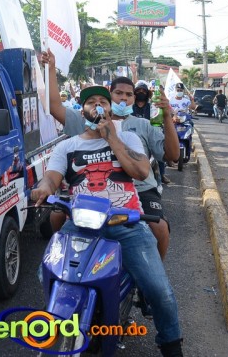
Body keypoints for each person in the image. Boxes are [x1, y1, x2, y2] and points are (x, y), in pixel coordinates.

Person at [31, 86, 183, 357]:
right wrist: (44, 188)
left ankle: (171, 344)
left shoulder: (128, 138)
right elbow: (52, 177)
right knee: (47, 273)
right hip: (80, 225)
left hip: (126, 223)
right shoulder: (68, 146)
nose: (98, 105)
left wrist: (111, 137)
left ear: (110, 110)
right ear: (82, 111)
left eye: (103, 100)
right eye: (91, 101)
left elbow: (141, 170)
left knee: (159, 290)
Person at [41, 50, 179, 260]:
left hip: (141, 189)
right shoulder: (87, 121)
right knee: (57, 216)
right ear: (109, 96)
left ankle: (151, 270)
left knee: (159, 228)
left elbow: (173, 156)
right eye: (118, 94)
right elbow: (54, 106)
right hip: (91, 191)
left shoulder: (142, 125)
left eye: (129, 95)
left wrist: (167, 116)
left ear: (134, 98)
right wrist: (51, 68)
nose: (123, 98)